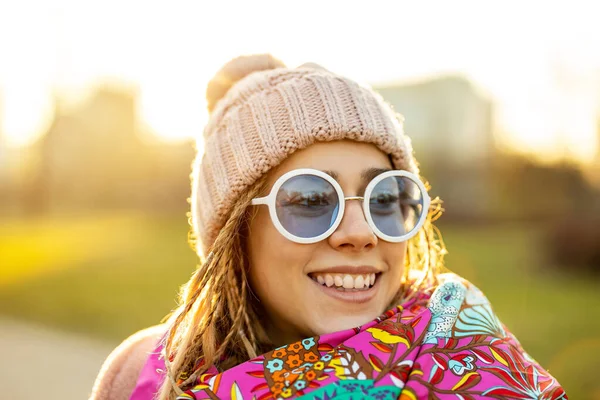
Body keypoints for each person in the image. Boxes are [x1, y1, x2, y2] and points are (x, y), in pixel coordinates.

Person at [91, 54, 567, 400]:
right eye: (312, 198)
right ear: (234, 232)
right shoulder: (146, 380)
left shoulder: (467, 346)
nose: (360, 232)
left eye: (385, 197)